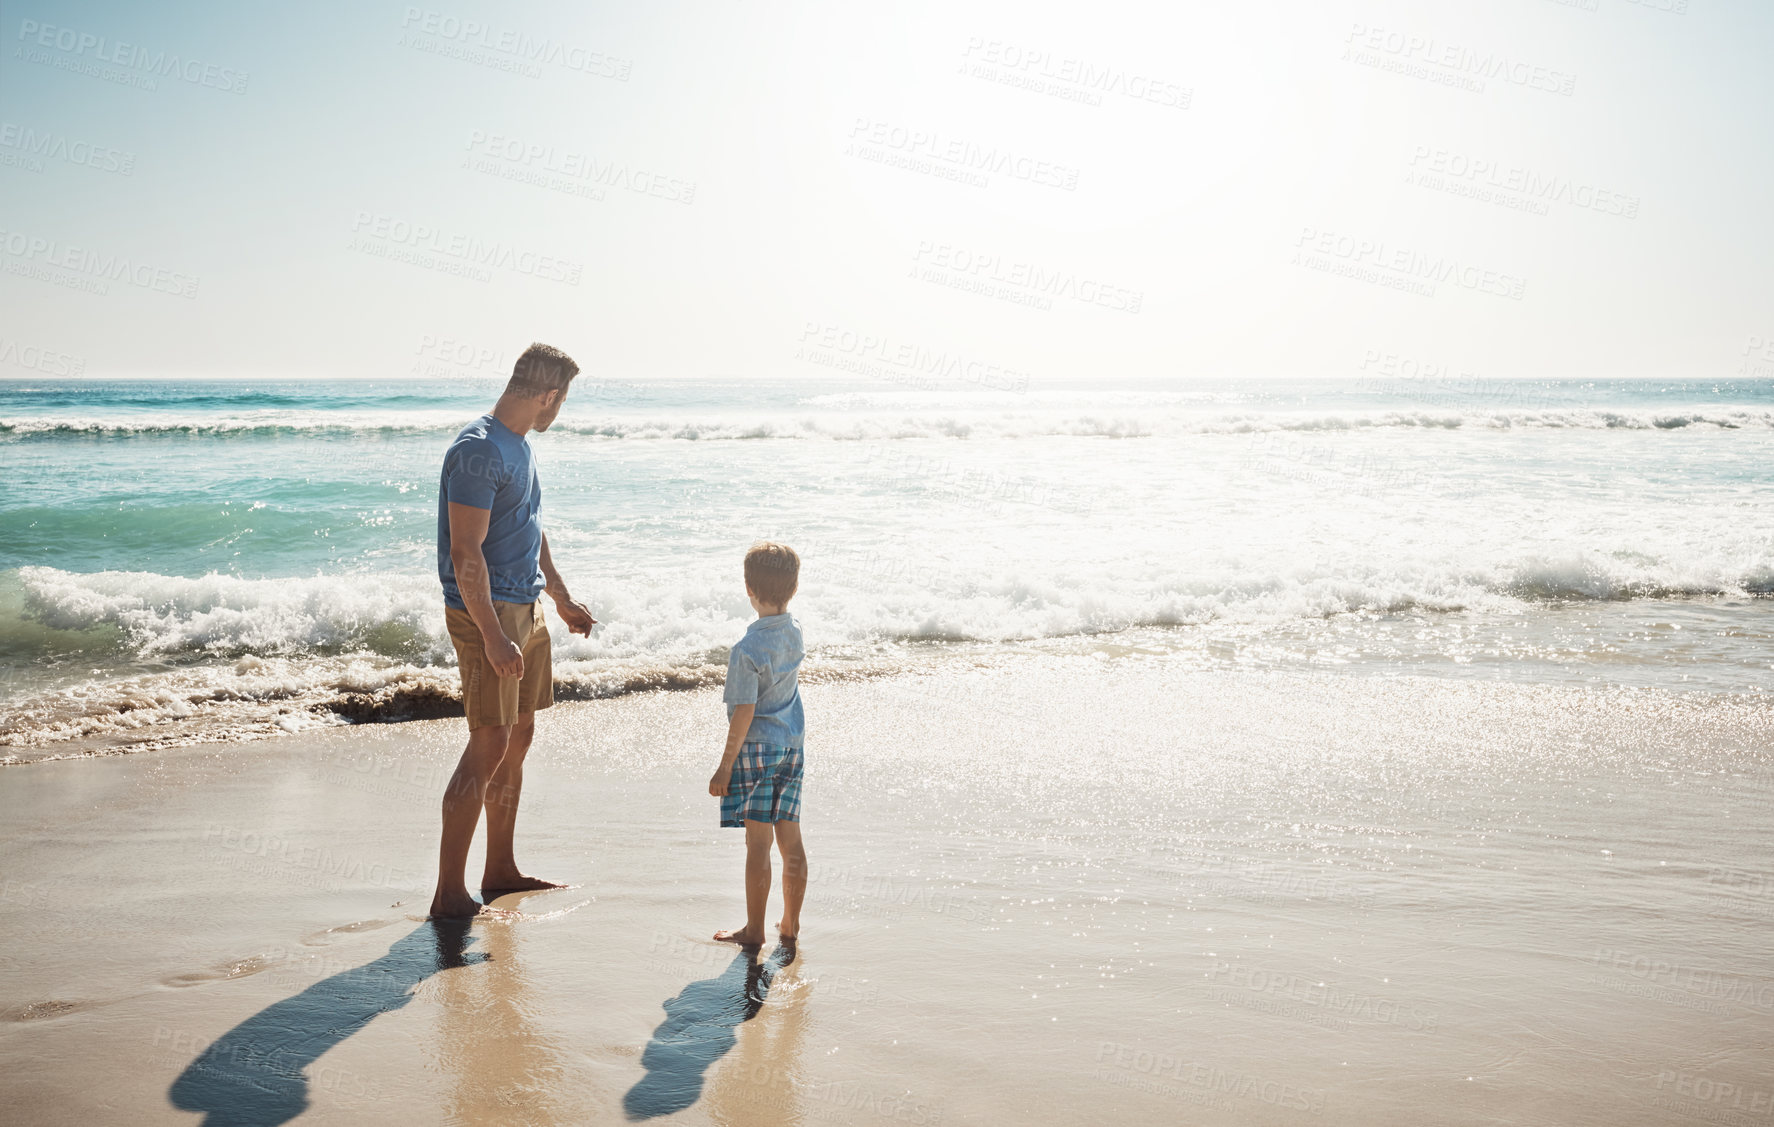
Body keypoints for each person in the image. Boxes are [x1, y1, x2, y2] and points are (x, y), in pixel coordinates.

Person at [429, 342, 597, 919]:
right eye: (562, 400)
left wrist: (560, 595)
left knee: (518, 738)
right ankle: (448, 894)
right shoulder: (477, 450)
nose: (560, 411)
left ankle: (499, 868)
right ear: (548, 395)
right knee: (490, 742)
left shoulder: (519, 447)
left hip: (525, 607)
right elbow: (464, 549)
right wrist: (493, 634)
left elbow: (529, 524)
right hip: (487, 613)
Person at [707, 542, 808, 946]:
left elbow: (744, 711)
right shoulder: (794, 632)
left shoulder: (746, 650)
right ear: (794, 588)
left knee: (758, 844)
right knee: (791, 839)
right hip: (792, 747)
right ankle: (791, 924)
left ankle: (754, 931)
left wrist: (725, 765)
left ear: (748, 589)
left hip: (757, 749)